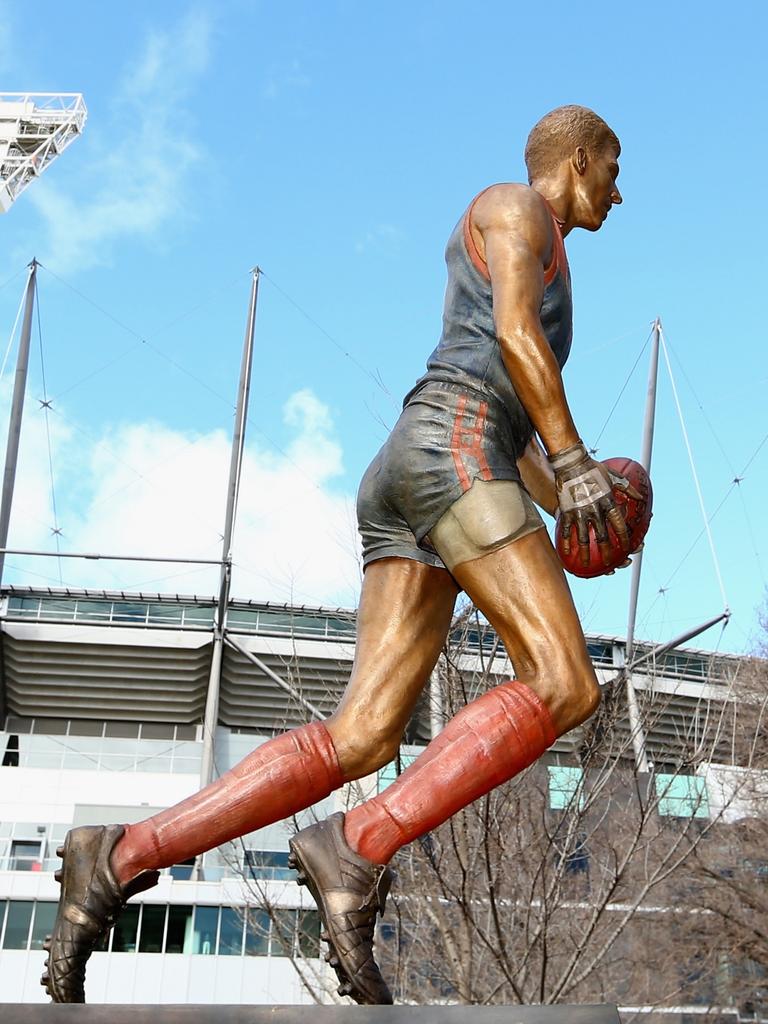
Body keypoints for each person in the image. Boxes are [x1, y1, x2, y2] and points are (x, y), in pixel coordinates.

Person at [44, 104, 631, 1006]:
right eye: (613, 170)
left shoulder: (537, 245)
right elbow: (514, 340)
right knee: (566, 683)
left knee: (359, 736)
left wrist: (583, 507)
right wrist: (581, 462)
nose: (619, 195)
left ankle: (117, 855)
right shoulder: (516, 207)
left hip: (428, 461)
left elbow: (516, 418)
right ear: (579, 158)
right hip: (454, 447)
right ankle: (356, 843)